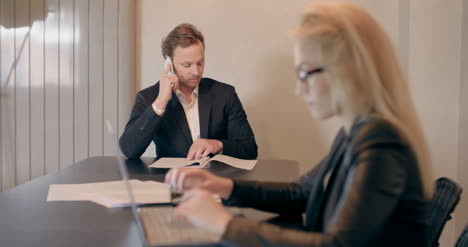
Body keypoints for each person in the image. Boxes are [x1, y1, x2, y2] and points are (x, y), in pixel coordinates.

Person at [164, 2, 433, 246]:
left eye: (305, 73)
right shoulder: (357, 133)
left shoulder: (380, 141)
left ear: (346, 69)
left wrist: (224, 224)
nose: (299, 90)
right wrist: (224, 186)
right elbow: (302, 191)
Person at [119, 23, 258, 160]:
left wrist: (218, 145)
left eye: (200, 63)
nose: (196, 72)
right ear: (168, 63)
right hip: (172, 180)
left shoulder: (225, 94)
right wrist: (161, 102)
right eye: (187, 65)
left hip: (215, 180)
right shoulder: (148, 97)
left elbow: (250, 148)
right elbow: (129, 149)